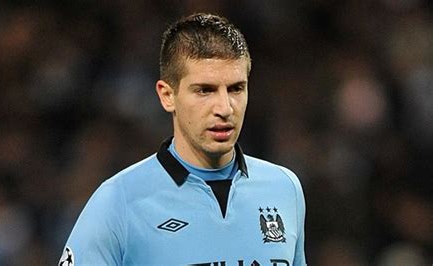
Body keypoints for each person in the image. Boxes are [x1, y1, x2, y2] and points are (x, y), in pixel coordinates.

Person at [59, 13, 306, 266]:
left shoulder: (284, 188)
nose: (225, 107)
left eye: (236, 88)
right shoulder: (118, 201)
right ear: (167, 95)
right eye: (204, 90)